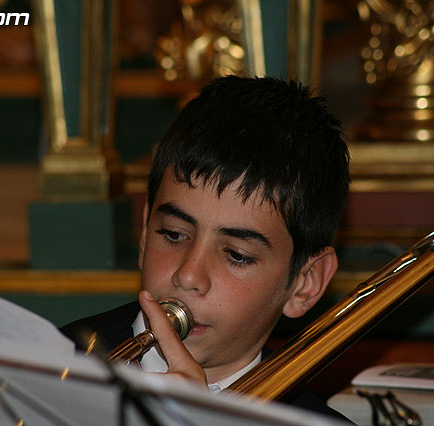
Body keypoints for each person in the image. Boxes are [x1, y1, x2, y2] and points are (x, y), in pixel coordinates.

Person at [62, 75, 351, 421]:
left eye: (237, 255)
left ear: (306, 283)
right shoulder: (46, 358)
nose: (188, 275)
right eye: (172, 234)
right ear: (143, 234)